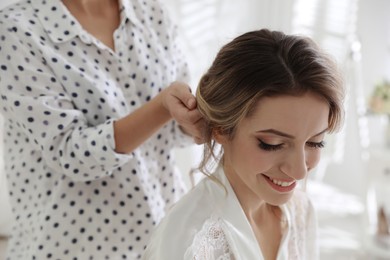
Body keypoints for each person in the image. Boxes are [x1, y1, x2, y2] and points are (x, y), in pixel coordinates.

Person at [0, 0, 204, 259]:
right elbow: (70, 153)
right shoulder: (14, 29)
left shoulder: (151, 11)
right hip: (71, 248)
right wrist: (162, 107)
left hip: (165, 238)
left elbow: (172, 131)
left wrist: (193, 121)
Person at [143, 28, 345, 260]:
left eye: (315, 143)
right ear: (221, 129)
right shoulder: (189, 241)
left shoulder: (300, 211)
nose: (299, 171)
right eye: (272, 144)